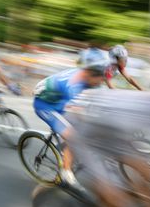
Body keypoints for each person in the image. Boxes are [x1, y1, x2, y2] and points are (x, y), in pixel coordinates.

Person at [33, 52, 108, 187]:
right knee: (73, 136)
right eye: (101, 78)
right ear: (91, 74)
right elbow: (80, 112)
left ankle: (65, 149)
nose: (102, 81)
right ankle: (66, 173)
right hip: (45, 106)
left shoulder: (89, 77)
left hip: (60, 101)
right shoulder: (72, 86)